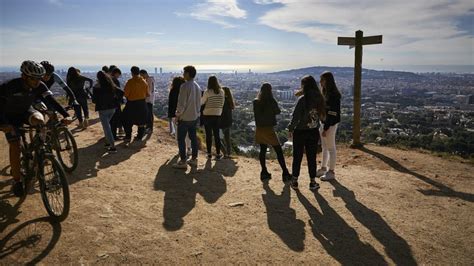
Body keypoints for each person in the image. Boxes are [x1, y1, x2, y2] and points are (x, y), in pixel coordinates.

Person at [0, 60, 72, 197]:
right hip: (8, 116)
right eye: (33, 78)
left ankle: (41, 150)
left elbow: (51, 100)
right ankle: (17, 181)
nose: (37, 81)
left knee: (40, 121)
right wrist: (4, 124)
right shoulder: (9, 86)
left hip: (26, 111)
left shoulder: (40, 85)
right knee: (15, 146)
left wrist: (65, 114)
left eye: (39, 78)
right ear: (24, 76)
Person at [288, 75, 326, 190]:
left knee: (297, 157)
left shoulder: (302, 99)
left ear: (304, 85)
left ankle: (294, 181)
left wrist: (290, 129)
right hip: (313, 131)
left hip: (300, 131)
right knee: (311, 158)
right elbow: (322, 116)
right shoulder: (320, 99)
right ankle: (312, 182)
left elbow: (296, 117)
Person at [253, 83, 291, 182]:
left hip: (259, 128)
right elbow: (278, 111)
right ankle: (285, 173)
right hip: (269, 128)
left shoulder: (255, 101)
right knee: (278, 150)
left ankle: (264, 172)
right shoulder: (271, 101)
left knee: (263, 150)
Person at [173, 65, 201, 169]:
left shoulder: (184, 86)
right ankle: (194, 159)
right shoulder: (197, 86)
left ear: (188, 74)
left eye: (184, 72)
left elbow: (181, 104)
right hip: (194, 117)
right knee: (193, 138)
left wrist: (177, 115)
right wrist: (197, 114)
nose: (183, 74)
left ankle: (183, 161)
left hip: (184, 118)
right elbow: (199, 103)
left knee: (181, 139)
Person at [318, 71, 342, 181]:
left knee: (331, 148)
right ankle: (323, 167)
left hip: (330, 124)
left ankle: (331, 171)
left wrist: (326, 127)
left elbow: (332, 113)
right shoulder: (326, 93)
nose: (320, 82)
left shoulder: (334, 95)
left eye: (322, 80)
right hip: (323, 122)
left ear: (327, 81)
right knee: (324, 147)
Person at [92, 71, 118, 153]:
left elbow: (94, 100)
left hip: (103, 110)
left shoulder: (96, 87)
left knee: (107, 128)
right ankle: (107, 143)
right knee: (107, 126)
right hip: (112, 108)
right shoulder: (111, 84)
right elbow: (121, 92)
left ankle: (113, 147)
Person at [123, 66, 149, 143]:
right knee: (141, 121)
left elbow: (126, 94)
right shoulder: (144, 82)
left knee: (127, 120)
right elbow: (148, 94)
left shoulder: (130, 82)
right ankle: (140, 136)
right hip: (142, 104)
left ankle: (128, 136)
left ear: (132, 73)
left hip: (132, 104)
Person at [201, 76, 225, 160]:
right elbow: (222, 103)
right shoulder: (222, 92)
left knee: (208, 135)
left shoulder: (207, 92)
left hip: (207, 115)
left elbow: (202, 102)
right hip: (217, 115)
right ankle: (218, 154)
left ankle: (209, 154)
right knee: (216, 135)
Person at [219, 86, 235, 159]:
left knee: (217, 139)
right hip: (228, 122)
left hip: (222, 123)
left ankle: (225, 153)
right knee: (227, 139)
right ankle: (228, 153)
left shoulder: (222, 101)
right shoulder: (230, 101)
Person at [110, 67, 124, 140]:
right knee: (115, 119)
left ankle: (111, 135)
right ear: (116, 73)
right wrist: (120, 100)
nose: (119, 76)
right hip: (115, 103)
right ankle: (114, 136)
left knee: (111, 120)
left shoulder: (108, 80)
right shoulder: (115, 80)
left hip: (109, 103)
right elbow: (120, 92)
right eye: (119, 74)